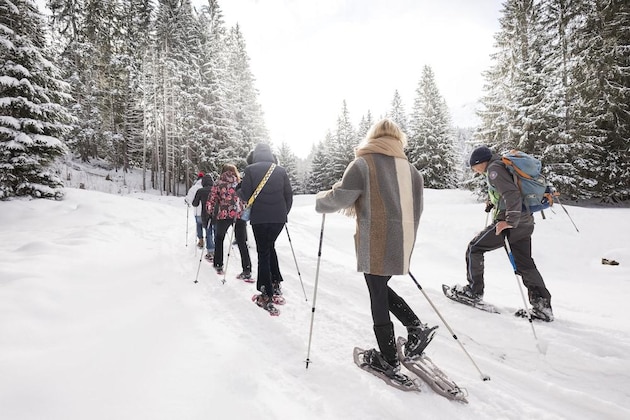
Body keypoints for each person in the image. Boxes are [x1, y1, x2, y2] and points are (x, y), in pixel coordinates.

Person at [315, 118, 438, 379]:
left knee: (377, 293)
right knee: (379, 286)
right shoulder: (412, 170)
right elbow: (418, 207)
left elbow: (341, 197)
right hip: (403, 238)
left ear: (373, 137)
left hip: (376, 238)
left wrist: (321, 201)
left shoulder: (363, 163)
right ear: (398, 139)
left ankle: (388, 357)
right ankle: (415, 328)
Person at [449, 146, 554, 321]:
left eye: (474, 167)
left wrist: (508, 222)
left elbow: (511, 194)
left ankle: (473, 291)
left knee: (474, 248)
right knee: (525, 264)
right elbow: (508, 192)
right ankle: (542, 306)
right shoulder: (500, 165)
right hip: (525, 221)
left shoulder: (494, 169)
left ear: (481, 162)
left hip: (511, 223)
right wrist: (493, 201)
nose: (475, 171)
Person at [238, 143, 293, 312]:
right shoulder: (280, 170)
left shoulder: (250, 170)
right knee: (269, 247)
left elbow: (245, 195)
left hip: (260, 218)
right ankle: (276, 283)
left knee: (263, 252)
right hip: (279, 218)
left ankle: (266, 293)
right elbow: (288, 196)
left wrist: (239, 190)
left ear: (255, 155)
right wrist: (283, 213)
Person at [206, 164, 251, 278]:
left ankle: (218, 264)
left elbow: (211, 199)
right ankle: (246, 269)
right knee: (241, 241)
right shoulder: (240, 183)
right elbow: (246, 198)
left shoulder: (218, 183)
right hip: (239, 215)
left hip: (224, 214)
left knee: (219, 238)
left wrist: (210, 212)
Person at [192, 174, 216, 260]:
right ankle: (217, 250)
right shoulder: (216, 190)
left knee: (208, 233)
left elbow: (195, 203)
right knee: (217, 232)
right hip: (217, 214)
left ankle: (210, 251)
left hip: (205, 214)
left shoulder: (200, 191)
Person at [185, 172, 205, 248]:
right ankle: (210, 240)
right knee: (208, 227)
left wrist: (186, 201)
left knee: (199, 225)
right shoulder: (208, 186)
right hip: (207, 211)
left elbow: (189, 199)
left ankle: (200, 240)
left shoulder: (194, 188)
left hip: (197, 211)